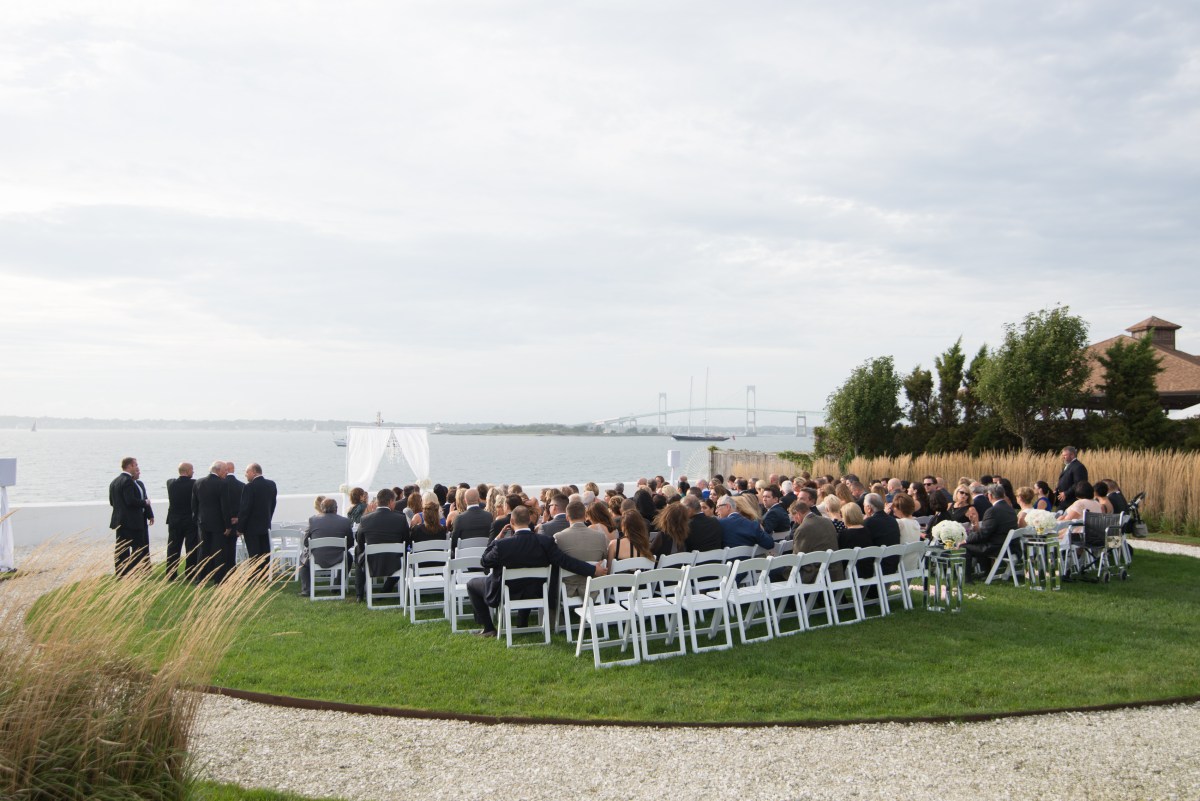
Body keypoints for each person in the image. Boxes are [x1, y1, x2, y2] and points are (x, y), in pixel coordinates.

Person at [466, 504, 606, 638]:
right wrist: (592, 570)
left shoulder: (501, 545)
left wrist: (496, 539)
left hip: (505, 592)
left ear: (511, 521)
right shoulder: (545, 542)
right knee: (527, 582)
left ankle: (489, 628)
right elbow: (566, 561)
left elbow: (484, 561)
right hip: (536, 591)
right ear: (529, 521)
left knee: (472, 584)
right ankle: (522, 623)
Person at [356, 488, 410, 601]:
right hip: (394, 561)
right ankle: (386, 589)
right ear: (390, 502)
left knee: (358, 551)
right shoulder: (400, 518)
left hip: (372, 561)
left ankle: (359, 594)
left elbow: (359, 539)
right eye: (394, 501)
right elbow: (406, 541)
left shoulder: (365, 519)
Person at [554, 500, 608, 598]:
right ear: (585, 517)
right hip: (593, 589)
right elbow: (604, 559)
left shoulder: (558, 537)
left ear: (567, 517)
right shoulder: (600, 536)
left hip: (567, 590)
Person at [109, 456, 152, 577]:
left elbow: (112, 502)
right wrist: (145, 502)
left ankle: (121, 573)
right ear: (130, 466)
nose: (137, 467)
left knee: (121, 548)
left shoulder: (114, 481)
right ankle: (136, 572)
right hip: (132, 521)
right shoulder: (128, 481)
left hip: (119, 520)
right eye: (136, 465)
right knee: (137, 547)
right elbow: (130, 500)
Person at [963, 484, 1017, 581]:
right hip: (1009, 546)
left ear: (990, 495)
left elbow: (984, 533)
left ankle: (967, 579)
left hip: (996, 547)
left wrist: (966, 540)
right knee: (977, 542)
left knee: (965, 547)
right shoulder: (1010, 509)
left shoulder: (992, 511)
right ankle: (986, 572)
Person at [301, 497, 353, 595]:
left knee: (303, 559)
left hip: (317, 557)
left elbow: (306, 542)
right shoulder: (345, 521)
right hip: (339, 557)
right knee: (349, 558)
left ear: (321, 508)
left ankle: (306, 590)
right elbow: (350, 542)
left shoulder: (313, 520)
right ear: (336, 509)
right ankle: (337, 586)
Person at [192, 461, 232, 584]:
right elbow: (225, 507)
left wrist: (197, 520)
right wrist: (228, 525)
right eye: (225, 470)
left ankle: (200, 578)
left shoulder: (198, 482)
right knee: (218, 551)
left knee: (202, 551)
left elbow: (194, 505)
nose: (227, 472)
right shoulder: (222, 484)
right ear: (218, 470)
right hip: (218, 523)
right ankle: (219, 579)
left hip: (202, 522)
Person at [237, 463, 278, 575]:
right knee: (265, 552)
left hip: (251, 527)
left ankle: (254, 575)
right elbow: (273, 504)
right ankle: (265, 574)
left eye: (247, 472)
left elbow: (245, 509)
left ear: (254, 471)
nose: (245, 475)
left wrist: (240, 527)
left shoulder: (249, 487)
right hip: (265, 524)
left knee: (254, 553)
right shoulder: (271, 485)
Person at [789, 501, 841, 582]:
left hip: (814, 574)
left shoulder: (802, 529)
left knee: (774, 573)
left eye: (793, 517)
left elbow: (797, 558)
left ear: (798, 514)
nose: (795, 521)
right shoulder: (828, 521)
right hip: (834, 571)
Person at [164, 462, 198, 582]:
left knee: (173, 547)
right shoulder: (194, 484)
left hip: (174, 520)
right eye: (192, 470)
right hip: (189, 520)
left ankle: (171, 573)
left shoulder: (170, 483)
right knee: (191, 547)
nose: (193, 472)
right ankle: (190, 573)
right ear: (187, 471)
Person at [1055, 446, 1088, 510]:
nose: (1063, 457)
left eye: (1065, 455)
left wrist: (1066, 493)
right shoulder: (1067, 465)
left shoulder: (1078, 467)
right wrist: (1057, 489)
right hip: (1063, 500)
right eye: (1062, 455)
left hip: (1071, 500)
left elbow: (1079, 483)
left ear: (1072, 455)